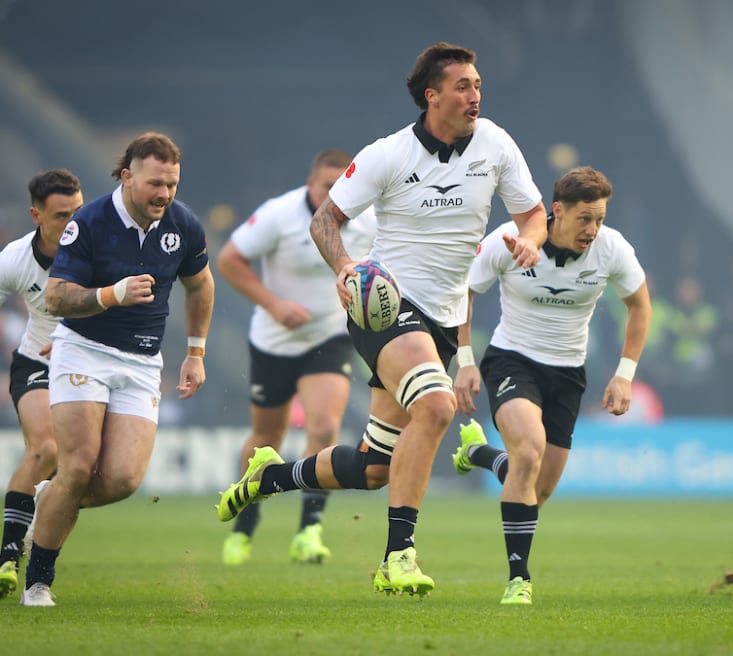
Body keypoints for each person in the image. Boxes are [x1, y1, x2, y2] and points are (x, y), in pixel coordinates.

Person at [216, 42, 547, 596]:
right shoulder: (386, 155)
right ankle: (398, 557)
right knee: (438, 406)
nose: (475, 96)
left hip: (442, 318)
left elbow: (533, 214)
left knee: (373, 467)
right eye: (463, 86)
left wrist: (532, 242)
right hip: (385, 306)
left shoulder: (495, 143)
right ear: (432, 95)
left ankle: (267, 476)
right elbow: (326, 221)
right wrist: (345, 267)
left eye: (478, 84)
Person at [20, 133, 214, 607]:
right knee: (80, 464)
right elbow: (56, 296)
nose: (164, 195)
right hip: (84, 350)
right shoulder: (88, 223)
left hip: (143, 361)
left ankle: (48, 500)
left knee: (124, 480)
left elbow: (201, 284)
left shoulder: (183, 225)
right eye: (155, 184)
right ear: (127, 177)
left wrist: (196, 353)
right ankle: (38, 583)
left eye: (172, 184)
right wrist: (112, 293)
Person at [450, 166, 650, 605]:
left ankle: (478, 454)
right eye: (584, 218)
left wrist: (624, 373)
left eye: (599, 218)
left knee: (535, 487)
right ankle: (518, 580)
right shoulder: (512, 240)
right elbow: (462, 292)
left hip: (567, 374)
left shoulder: (612, 248)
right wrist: (464, 361)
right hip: (511, 360)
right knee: (529, 451)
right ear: (556, 211)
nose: (593, 229)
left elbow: (639, 305)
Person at [216, 150, 376, 566]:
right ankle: (245, 525)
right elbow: (229, 261)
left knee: (324, 427)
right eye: (327, 186)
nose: (334, 194)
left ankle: (309, 530)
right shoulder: (278, 214)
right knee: (267, 438)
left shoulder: (369, 219)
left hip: (330, 337)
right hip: (275, 339)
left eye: (341, 187)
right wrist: (273, 305)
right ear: (310, 184)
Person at [0, 169, 84, 600]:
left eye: (79, 212)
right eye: (61, 215)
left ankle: (36, 545)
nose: (74, 224)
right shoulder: (13, 260)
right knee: (46, 449)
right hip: (36, 361)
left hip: (91, 366)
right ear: (37, 215)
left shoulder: (102, 247)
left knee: (80, 471)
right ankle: (8, 557)